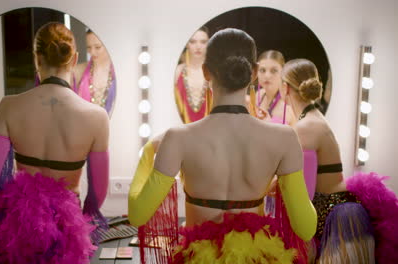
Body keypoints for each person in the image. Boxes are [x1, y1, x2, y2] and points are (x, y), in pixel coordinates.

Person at [129, 28, 317, 264]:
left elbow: (138, 215)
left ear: (206, 71)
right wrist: (284, 187)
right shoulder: (284, 138)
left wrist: (148, 152)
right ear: (255, 73)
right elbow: (306, 228)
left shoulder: (177, 138)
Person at [0, 22, 109, 264]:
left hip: (18, 228)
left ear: (36, 58)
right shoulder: (96, 117)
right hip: (66, 231)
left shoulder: (8, 106)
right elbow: (98, 193)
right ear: (74, 59)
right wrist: (81, 226)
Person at [281, 58, 398, 263]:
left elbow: (305, 193)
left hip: (338, 221)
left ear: (285, 88)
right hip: (343, 215)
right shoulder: (314, 119)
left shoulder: (305, 127)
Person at [73, 30, 116, 115]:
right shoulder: (78, 71)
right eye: (89, 47)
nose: (92, 52)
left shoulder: (119, 72)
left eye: (97, 47)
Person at [174, 27, 212, 123]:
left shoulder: (215, 73)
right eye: (193, 42)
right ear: (187, 44)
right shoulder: (178, 72)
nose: (198, 46)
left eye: (203, 42)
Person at [256, 50, 293, 125]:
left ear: (283, 72)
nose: (267, 76)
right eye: (262, 70)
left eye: (274, 71)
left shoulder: (289, 102)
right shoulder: (259, 94)